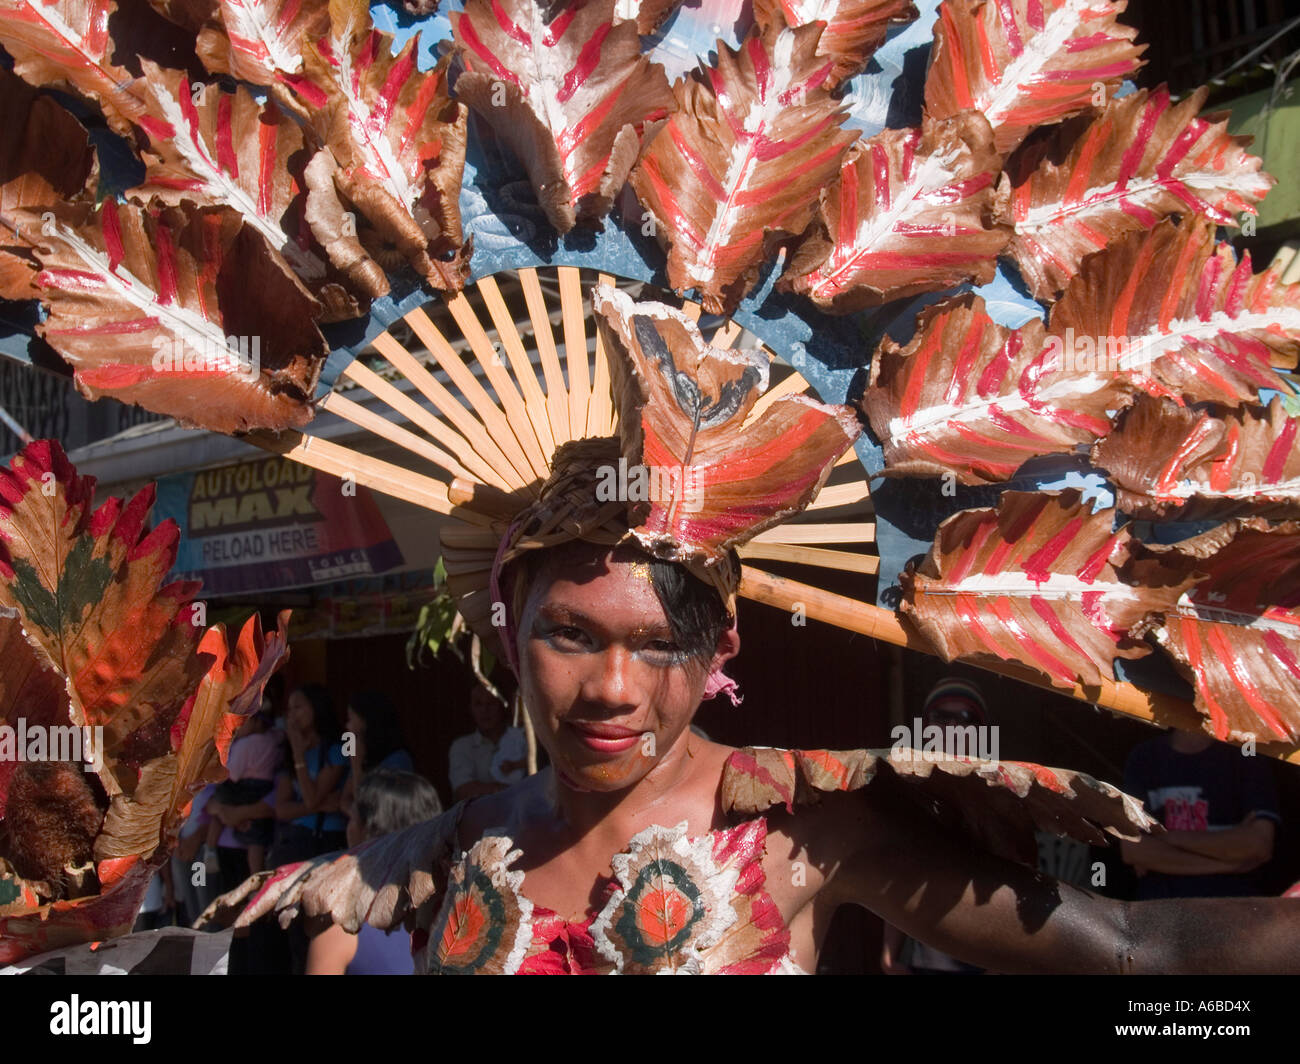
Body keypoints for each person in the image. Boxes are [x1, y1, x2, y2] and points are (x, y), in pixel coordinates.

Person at [207, 287, 1300, 975]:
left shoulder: (807, 822)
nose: (612, 688)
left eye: (657, 643)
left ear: (719, 651)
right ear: (506, 634)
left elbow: (1122, 946)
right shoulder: (448, 844)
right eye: (571, 635)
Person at [881, 678, 990, 975]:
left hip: (986, 955)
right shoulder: (914, 789)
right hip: (925, 956)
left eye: (964, 718)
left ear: (979, 729)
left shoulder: (998, 791)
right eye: (942, 717)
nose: (952, 727)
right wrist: (889, 954)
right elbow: (900, 876)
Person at [305, 770, 443, 975]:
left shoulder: (342, 928)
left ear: (368, 831)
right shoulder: (461, 915)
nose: (348, 828)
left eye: (352, 819)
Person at [1120, 728, 1280, 899]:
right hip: (1161, 909)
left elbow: (1258, 845)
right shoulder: (1145, 756)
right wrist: (1230, 864)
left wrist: (1166, 838)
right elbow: (1133, 850)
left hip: (1233, 908)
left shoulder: (1245, 755)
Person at [341, 690, 414, 814]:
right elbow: (345, 799)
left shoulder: (399, 760)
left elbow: (368, 807)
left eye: (351, 718)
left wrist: (357, 766)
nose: (348, 726)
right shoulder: (362, 756)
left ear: (366, 721)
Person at [448, 686, 525, 800]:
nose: (485, 710)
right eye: (478, 704)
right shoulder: (462, 746)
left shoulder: (521, 738)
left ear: (502, 705)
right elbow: (463, 790)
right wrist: (512, 792)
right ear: (471, 709)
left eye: (491, 703)